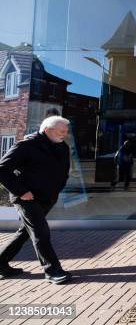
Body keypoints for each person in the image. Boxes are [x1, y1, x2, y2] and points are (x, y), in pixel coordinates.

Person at [0, 116, 72, 284]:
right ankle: (52, 270)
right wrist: (22, 191)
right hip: (26, 198)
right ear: (47, 130)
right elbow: (2, 169)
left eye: (66, 132)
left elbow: (64, 172)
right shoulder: (26, 146)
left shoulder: (62, 147)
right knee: (41, 232)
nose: (65, 135)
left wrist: (57, 189)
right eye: (62, 131)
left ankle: (1, 263)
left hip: (47, 198)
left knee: (24, 232)